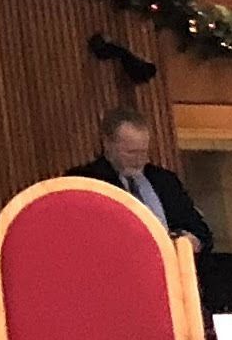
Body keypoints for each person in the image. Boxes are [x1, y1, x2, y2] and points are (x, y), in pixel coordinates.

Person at [76, 105, 213, 250]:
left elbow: (202, 233)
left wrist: (190, 241)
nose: (139, 160)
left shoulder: (165, 181)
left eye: (143, 152)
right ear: (108, 144)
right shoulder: (85, 182)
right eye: (131, 152)